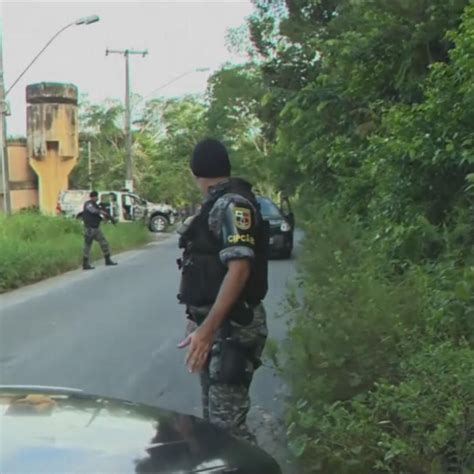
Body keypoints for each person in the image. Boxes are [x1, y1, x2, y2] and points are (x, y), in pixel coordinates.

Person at [177, 138, 269, 443]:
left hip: (234, 328)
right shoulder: (215, 205)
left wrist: (207, 329)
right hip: (217, 327)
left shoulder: (232, 204)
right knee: (214, 428)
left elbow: (239, 268)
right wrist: (197, 321)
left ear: (195, 173)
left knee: (230, 434)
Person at [82, 190, 118, 270]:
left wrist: (106, 218)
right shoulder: (88, 204)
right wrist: (101, 212)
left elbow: (98, 215)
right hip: (89, 228)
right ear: (93, 197)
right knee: (87, 246)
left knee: (104, 243)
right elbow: (93, 211)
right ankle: (85, 263)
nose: (97, 198)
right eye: (96, 197)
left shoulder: (96, 205)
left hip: (96, 228)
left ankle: (108, 260)